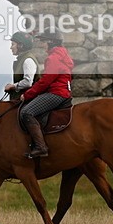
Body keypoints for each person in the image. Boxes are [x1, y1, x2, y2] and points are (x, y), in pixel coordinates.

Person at [19, 30, 74, 159]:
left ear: (50, 42)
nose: (42, 44)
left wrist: (27, 95)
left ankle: (41, 147)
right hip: (63, 91)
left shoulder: (53, 58)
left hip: (56, 93)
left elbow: (45, 82)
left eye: (43, 41)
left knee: (26, 112)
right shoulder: (62, 55)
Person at [4, 31, 40, 101]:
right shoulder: (21, 60)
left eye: (13, 44)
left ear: (21, 46)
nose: (11, 48)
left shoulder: (28, 60)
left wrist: (13, 86)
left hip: (29, 100)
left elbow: (28, 82)